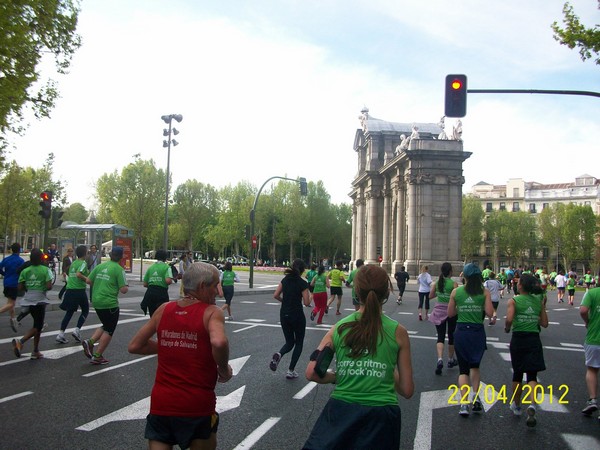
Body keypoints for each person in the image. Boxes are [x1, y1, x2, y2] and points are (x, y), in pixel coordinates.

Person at [303, 265, 414, 449]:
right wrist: (384, 369)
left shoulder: (339, 328)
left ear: (356, 292)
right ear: (386, 293)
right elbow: (407, 389)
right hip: (382, 417)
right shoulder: (399, 333)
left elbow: (312, 372)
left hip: (341, 412)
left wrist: (338, 376)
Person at [128, 262, 233, 450]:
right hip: (197, 405)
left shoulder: (164, 309)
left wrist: (173, 345)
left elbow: (135, 345)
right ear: (202, 286)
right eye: (215, 285)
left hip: (162, 404)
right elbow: (219, 342)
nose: (218, 292)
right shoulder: (211, 312)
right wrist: (224, 370)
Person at [448, 263, 494, 416]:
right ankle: (475, 398)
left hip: (461, 331)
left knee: (463, 370)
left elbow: (450, 314)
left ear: (465, 276)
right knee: (475, 366)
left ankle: (463, 404)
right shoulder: (484, 292)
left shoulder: (456, 292)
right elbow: (489, 312)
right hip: (477, 331)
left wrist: (462, 307)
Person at [504, 273, 549, 427]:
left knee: (517, 373)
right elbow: (544, 323)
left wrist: (507, 327)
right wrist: (533, 317)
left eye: (519, 282)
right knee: (532, 375)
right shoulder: (538, 301)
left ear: (521, 285)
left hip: (518, 338)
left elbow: (509, 319)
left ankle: (516, 405)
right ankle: (532, 404)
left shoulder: (514, 301)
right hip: (534, 339)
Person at [81, 246, 129, 365]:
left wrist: (101, 283)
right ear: (121, 256)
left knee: (106, 324)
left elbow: (88, 281)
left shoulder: (100, 266)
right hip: (109, 302)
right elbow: (124, 290)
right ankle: (97, 355)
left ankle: (90, 342)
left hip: (96, 301)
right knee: (110, 329)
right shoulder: (119, 269)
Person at [270, 259, 310, 379]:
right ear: (303, 270)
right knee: (299, 342)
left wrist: (284, 301)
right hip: (297, 315)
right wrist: (311, 297)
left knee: (289, 342)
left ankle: (279, 354)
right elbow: (307, 302)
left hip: (284, 314)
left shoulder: (285, 280)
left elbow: (275, 295)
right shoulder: (302, 283)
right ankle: (290, 370)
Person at [12, 248, 53, 359]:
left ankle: (35, 350)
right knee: (38, 326)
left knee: (37, 325)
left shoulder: (25, 271)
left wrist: (30, 286)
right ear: (41, 258)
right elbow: (49, 286)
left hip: (28, 298)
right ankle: (20, 341)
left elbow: (20, 287)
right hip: (40, 299)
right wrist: (42, 287)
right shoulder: (45, 270)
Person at [56, 245, 90, 344]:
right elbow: (79, 274)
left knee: (69, 312)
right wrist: (86, 279)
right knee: (85, 310)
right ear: (85, 253)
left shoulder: (74, 263)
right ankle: (77, 330)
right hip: (79, 290)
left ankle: (61, 334)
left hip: (69, 289)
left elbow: (71, 274)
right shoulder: (83, 263)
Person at [429, 262, 459, 375]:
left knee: (440, 337)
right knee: (451, 336)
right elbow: (456, 298)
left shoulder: (437, 283)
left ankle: (440, 359)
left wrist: (440, 294)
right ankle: (451, 360)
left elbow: (430, 296)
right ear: (451, 271)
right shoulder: (454, 284)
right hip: (451, 312)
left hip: (439, 311)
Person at [580, 285, 600, 416]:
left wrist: (588, 321)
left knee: (592, 369)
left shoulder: (592, 293)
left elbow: (583, 310)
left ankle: (593, 399)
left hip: (594, 337)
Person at [140, 250, 173, 317]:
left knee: (153, 315)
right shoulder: (167, 267)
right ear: (165, 257)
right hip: (161, 293)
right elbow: (168, 281)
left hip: (150, 293)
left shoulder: (151, 268)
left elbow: (145, 284)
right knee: (161, 315)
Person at [0, 242, 25, 332]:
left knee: (10, 302)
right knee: (11, 303)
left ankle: (13, 320)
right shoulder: (20, 261)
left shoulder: (6, 259)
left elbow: (0, 267)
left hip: (6, 282)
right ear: (19, 250)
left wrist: (4, 274)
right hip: (14, 284)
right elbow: (23, 273)